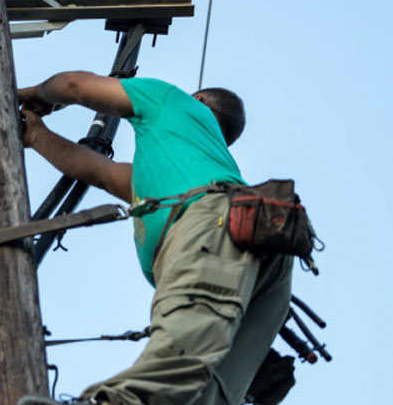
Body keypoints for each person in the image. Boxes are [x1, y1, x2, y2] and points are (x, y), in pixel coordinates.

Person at [17, 72, 293, 405]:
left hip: (216, 227)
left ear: (200, 100)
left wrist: (27, 95)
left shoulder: (175, 102)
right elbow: (101, 173)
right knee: (214, 387)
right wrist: (34, 134)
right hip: (259, 251)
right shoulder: (177, 168)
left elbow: (73, 86)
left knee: (186, 336)